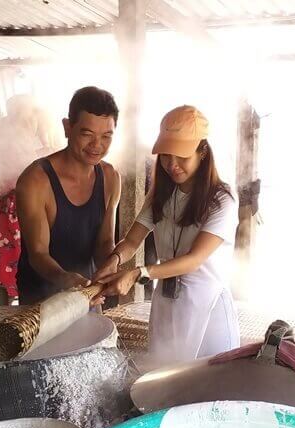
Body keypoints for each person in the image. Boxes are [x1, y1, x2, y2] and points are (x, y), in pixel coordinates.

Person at [94, 106, 240, 364]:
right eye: (165, 155)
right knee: (163, 376)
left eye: (181, 155)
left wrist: (139, 273)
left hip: (207, 306)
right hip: (167, 302)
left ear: (202, 151)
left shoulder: (221, 201)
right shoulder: (161, 195)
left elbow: (194, 260)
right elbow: (131, 241)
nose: (171, 164)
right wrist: (115, 260)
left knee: (207, 386)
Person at [15, 86, 121, 304]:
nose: (97, 145)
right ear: (67, 127)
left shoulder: (110, 177)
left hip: (86, 295)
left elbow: (104, 242)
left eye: (106, 136)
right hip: (39, 302)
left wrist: (107, 272)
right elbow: (38, 254)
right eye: (87, 134)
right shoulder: (35, 180)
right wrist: (66, 280)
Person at [0, 95, 45, 298]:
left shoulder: (47, 151)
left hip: (38, 226)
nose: (30, 122)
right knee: (7, 292)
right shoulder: (0, 151)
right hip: (7, 230)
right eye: (24, 117)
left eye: (32, 117)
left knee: (39, 288)